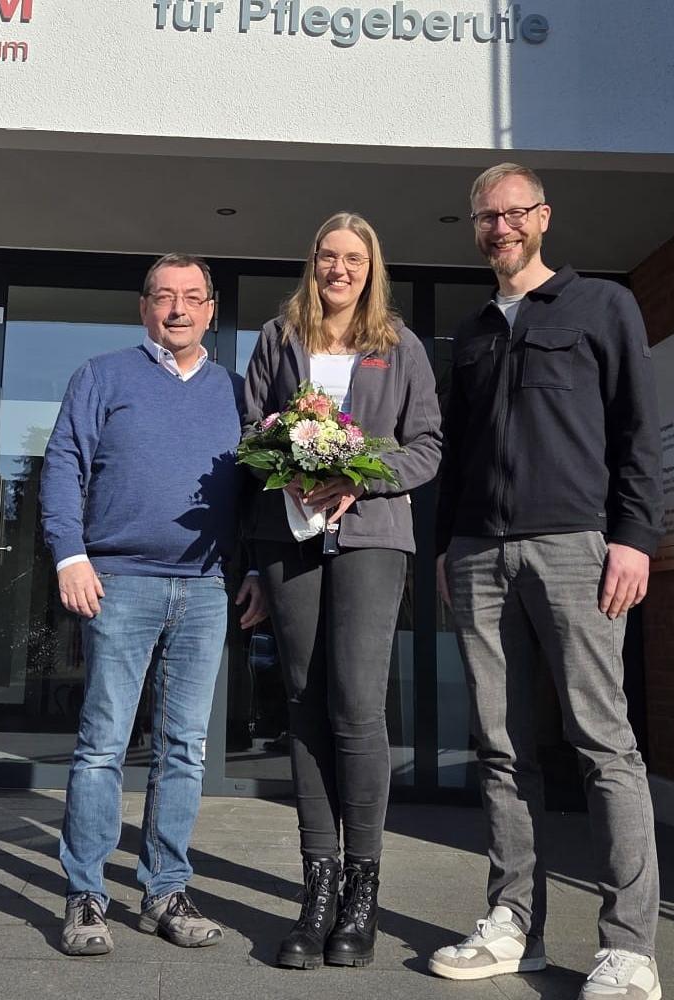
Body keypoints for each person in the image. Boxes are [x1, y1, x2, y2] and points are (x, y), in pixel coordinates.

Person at [428, 164, 665, 1000]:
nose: (500, 228)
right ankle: (512, 926)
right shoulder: (474, 332)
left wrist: (633, 538)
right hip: (480, 555)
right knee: (499, 746)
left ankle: (629, 948)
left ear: (543, 219)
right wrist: (445, 550)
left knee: (604, 744)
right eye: (486, 218)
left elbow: (638, 430)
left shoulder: (602, 306)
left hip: (577, 550)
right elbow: (456, 457)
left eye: (513, 214)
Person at [42, 253, 268, 956]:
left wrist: (255, 567)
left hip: (205, 588)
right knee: (104, 744)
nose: (177, 309)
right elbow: (64, 463)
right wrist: (69, 554)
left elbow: (261, 487)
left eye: (192, 298)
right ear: (144, 307)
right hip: (120, 581)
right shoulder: (102, 376)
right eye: (164, 297)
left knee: (186, 749)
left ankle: (165, 888)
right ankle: (84, 894)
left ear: (212, 311)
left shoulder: (236, 392)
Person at [239, 212, 442, 969]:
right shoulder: (278, 336)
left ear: (371, 266)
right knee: (303, 703)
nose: (339, 269)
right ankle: (315, 890)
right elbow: (248, 429)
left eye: (353, 258)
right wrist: (284, 465)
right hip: (287, 542)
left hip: (372, 540)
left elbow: (428, 446)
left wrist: (362, 477)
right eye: (328, 255)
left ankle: (362, 892)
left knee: (356, 705)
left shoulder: (399, 344)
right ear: (312, 263)